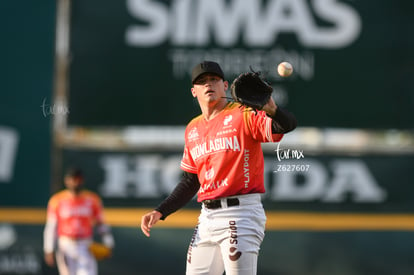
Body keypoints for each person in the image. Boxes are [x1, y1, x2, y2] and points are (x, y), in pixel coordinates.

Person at [141, 61, 297, 275]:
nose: (208, 85)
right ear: (193, 92)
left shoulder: (243, 114)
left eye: (213, 79)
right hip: (207, 218)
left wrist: (272, 109)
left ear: (225, 85)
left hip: (241, 213)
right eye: (202, 82)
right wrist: (161, 210)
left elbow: (285, 126)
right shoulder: (193, 128)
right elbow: (191, 180)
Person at [43, 167, 114, 275]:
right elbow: (51, 227)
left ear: (82, 180)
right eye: (72, 179)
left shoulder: (92, 199)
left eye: (78, 179)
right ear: (66, 180)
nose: (75, 182)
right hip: (66, 245)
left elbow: (101, 224)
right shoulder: (57, 200)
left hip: (85, 244)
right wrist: (49, 248)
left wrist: (109, 243)